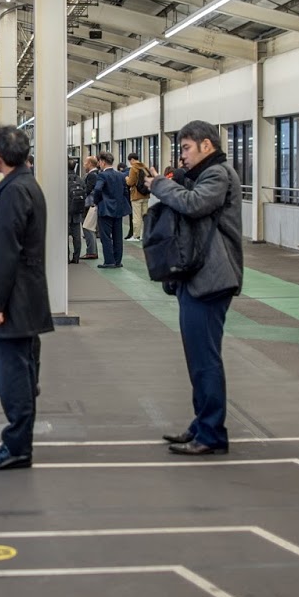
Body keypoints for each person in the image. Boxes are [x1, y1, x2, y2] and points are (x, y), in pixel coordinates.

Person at [146, 121, 244, 456]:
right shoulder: (205, 173)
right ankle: (202, 423)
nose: (182, 155)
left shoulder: (218, 174)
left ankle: (212, 432)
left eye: (186, 148)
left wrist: (160, 184)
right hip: (200, 278)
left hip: (212, 278)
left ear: (205, 145)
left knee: (205, 360)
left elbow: (194, 204)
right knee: (198, 358)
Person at [0, 125, 53, 471]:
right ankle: (14, 441)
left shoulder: (15, 192)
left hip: (14, 304)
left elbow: (6, 252)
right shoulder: (26, 184)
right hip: (24, 299)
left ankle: (17, 447)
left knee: (14, 378)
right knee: (21, 372)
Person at [86, 152, 130, 268]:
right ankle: (117, 261)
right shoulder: (120, 175)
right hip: (118, 210)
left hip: (105, 209)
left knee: (106, 237)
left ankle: (109, 261)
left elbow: (98, 189)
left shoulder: (102, 176)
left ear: (103, 162)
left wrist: (97, 201)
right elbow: (125, 192)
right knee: (118, 236)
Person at [67, 157, 88, 264]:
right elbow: (85, 192)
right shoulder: (79, 179)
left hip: (65, 212)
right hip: (77, 211)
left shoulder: (63, 179)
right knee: (77, 236)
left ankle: (66, 256)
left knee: (64, 236)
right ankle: (76, 257)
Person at [126, 152, 151, 240]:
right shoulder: (145, 167)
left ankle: (136, 235)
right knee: (145, 216)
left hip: (136, 195)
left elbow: (131, 182)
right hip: (146, 195)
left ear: (132, 159)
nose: (130, 163)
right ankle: (145, 235)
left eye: (130, 161)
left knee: (136, 217)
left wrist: (127, 179)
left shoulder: (134, 168)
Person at [79, 156, 100, 259]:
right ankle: (92, 251)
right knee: (90, 227)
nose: (84, 165)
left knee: (87, 227)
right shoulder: (97, 174)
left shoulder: (92, 175)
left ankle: (91, 251)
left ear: (90, 164)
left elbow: (88, 189)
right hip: (92, 204)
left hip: (88, 205)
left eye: (85, 163)